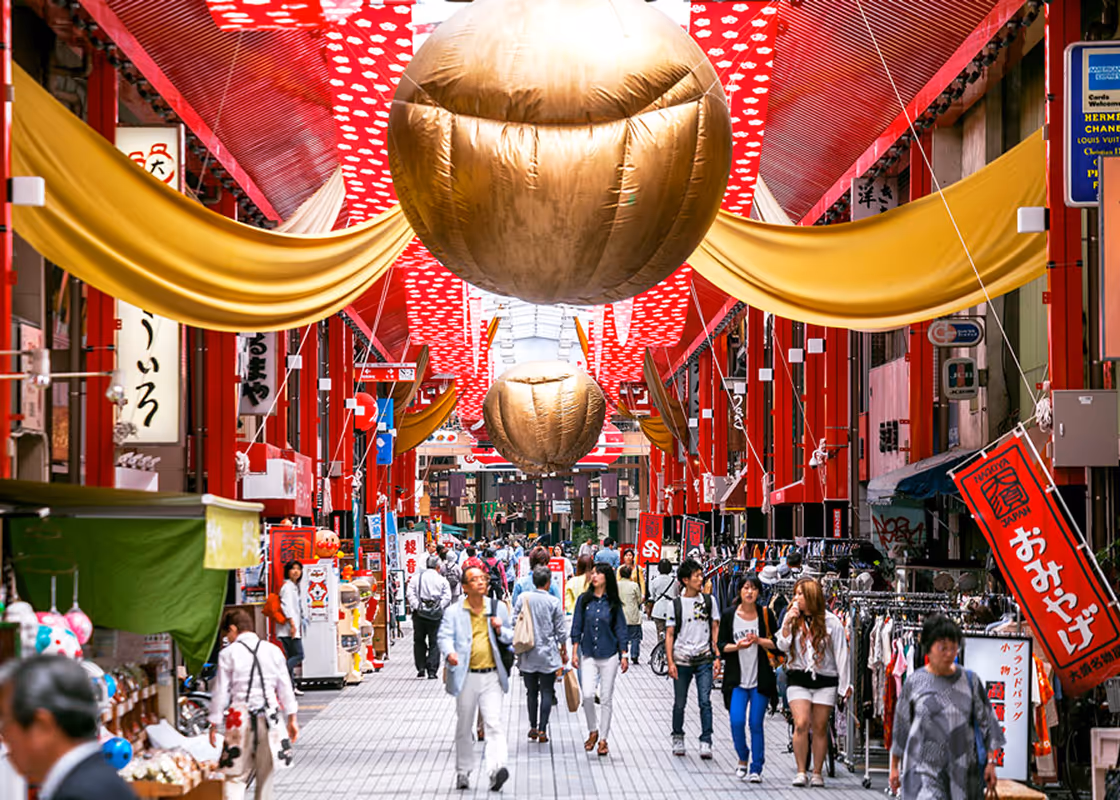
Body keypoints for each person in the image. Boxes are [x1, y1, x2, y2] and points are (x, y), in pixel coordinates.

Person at [890, 615, 1003, 800]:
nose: (949, 653)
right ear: (928, 647)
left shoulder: (970, 681)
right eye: (943, 647)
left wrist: (991, 762)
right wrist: (894, 767)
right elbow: (901, 727)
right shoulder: (914, 682)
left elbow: (988, 725)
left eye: (953, 647)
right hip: (922, 773)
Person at [0, 655, 137, 799]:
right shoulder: (92, 779)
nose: (3, 735)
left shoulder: (77, 793)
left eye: (6, 721)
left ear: (42, 725)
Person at [208, 608, 299, 800]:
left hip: (239, 718)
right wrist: (292, 718)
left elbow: (221, 692)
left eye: (228, 634)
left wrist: (214, 723)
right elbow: (285, 687)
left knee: (235, 776)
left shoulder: (228, 654)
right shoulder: (273, 650)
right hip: (270, 718)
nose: (228, 638)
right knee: (265, 775)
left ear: (233, 629)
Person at [438, 565, 513, 792]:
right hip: (466, 674)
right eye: (474, 579)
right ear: (464, 587)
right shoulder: (454, 611)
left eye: (483, 578)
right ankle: (463, 771)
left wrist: (501, 631)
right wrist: (449, 652)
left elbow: (512, 636)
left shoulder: (497, 608)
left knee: (494, 723)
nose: (480, 582)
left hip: (491, 674)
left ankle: (496, 769)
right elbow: (444, 636)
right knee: (464, 725)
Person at [776, 577, 849, 787]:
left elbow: (841, 654)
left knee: (819, 726)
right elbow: (781, 645)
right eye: (795, 594)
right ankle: (801, 771)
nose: (796, 598)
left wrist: (845, 686)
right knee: (801, 723)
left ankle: (817, 772)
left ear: (812, 596)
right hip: (798, 676)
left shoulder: (831, 621)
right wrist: (788, 623)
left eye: (801, 594)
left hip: (825, 679)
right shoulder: (792, 618)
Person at [718, 575, 779, 782]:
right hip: (737, 680)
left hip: (760, 678)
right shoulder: (729, 615)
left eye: (753, 589)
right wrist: (738, 646)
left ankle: (756, 767)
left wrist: (759, 640)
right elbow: (721, 645)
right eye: (746, 588)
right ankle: (742, 757)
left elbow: (778, 644)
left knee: (755, 723)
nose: (749, 592)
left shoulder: (765, 614)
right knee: (736, 721)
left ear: (759, 592)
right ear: (740, 591)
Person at [570, 564, 629, 757]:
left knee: (605, 698)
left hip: (609, 654)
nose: (594, 576)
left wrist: (624, 654)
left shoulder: (613, 603)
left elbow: (621, 628)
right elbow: (577, 625)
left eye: (598, 573)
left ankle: (603, 739)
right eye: (593, 573)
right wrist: (574, 651)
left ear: (607, 578)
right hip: (588, 653)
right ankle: (592, 730)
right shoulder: (583, 600)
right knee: (587, 695)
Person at [666, 559, 720, 759]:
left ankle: (706, 740)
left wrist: (716, 656)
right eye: (696, 576)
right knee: (680, 702)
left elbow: (715, 628)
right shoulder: (676, 604)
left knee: (705, 701)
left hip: (704, 658)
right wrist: (670, 661)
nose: (700, 579)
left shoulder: (709, 601)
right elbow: (670, 633)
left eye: (700, 575)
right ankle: (678, 736)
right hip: (681, 660)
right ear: (685, 580)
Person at [513, 566, 567, 743]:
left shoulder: (523, 598)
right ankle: (543, 729)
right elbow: (560, 629)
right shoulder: (553, 602)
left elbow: (514, 621)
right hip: (547, 652)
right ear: (549, 582)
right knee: (546, 690)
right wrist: (564, 649)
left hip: (527, 652)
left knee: (531, 692)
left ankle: (533, 727)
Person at [407, 555, 452, 679]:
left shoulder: (416, 578)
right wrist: (440, 606)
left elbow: (410, 593)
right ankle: (432, 670)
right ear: (438, 567)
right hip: (436, 615)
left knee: (419, 640)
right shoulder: (442, 580)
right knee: (435, 642)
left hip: (419, 614)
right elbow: (447, 596)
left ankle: (421, 667)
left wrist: (416, 605)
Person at [275, 561, 305, 696]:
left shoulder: (293, 586)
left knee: (292, 656)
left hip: (289, 627)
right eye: (293, 569)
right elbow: (286, 606)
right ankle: (280, 677)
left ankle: (290, 687)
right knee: (299, 655)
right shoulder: (287, 587)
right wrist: (293, 625)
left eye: (298, 569)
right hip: (289, 628)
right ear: (287, 571)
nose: (296, 571)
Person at [617, 566, 644, 664]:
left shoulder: (616, 585)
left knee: (619, 636)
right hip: (633, 614)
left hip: (620, 615)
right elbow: (639, 600)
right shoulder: (634, 585)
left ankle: (620, 655)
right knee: (635, 637)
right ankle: (634, 655)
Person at [648, 558, 678, 641]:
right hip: (671, 609)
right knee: (671, 632)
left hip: (658, 610)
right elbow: (676, 595)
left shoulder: (654, 581)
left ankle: (660, 649)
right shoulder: (674, 582)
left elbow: (653, 596)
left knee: (660, 632)